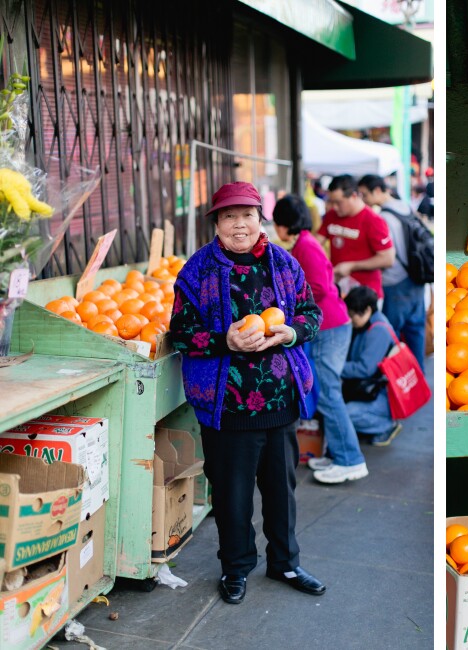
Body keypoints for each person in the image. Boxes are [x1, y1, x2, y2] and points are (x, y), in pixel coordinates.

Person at [170, 181, 326, 605]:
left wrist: (290, 333)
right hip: (226, 405)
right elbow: (181, 334)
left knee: (281, 489)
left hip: (279, 401)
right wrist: (226, 341)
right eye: (229, 216)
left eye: (247, 215)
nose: (239, 224)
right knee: (232, 494)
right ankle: (236, 567)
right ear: (217, 223)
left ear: (261, 219)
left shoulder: (285, 264)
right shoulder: (197, 270)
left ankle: (286, 562)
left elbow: (312, 314)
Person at [273, 194, 368, 484]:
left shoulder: (306, 246)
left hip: (329, 326)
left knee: (328, 393)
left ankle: (351, 460)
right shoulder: (305, 243)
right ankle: (340, 454)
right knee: (326, 391)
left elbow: (319, 288)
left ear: (283, 224)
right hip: (330, 325)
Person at [358, 174, 427, 370]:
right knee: (416, 330)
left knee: (392, 334)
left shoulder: (383, 218)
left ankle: (398, 379)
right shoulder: (405, 207)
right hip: (416, 278)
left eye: (365, 194)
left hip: (396, 282)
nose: (363, 200)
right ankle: (417, 377)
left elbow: (387, 256)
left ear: (377, 191)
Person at [316, 174, 394, 301]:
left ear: (354, 196)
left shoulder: (373, 220)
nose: (334, 207)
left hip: (366, 295)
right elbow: (316, 242)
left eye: (338, 202)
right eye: (331, 202)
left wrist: (352, 266)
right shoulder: (331, 216)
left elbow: (388, 258)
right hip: (338, 290)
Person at [342, 286, 402, 446]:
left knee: (345, 415)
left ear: (367, 309)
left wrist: (336, 367)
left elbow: (364, 369)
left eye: (354, 313)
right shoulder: (371, 323)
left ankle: (385, 426)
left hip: (382, 395)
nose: (350, 318)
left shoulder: (378, 331)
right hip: (375, 390)